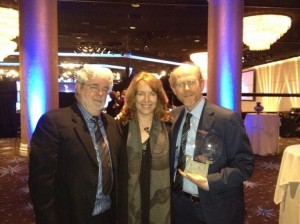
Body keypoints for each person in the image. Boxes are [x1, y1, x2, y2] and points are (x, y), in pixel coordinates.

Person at [28, 65, 122, 224]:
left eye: (105, 89)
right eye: (94, 86)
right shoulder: (54, 122)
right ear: (78, 88)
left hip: (109, 215)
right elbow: (41, 183)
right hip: (71, 217)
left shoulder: (113, 125)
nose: (100, 93)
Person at [168, 63, 254, 224]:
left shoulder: (226, 119)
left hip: (214, 207)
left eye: (191, 82)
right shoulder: (172, 117)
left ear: (201, 84)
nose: (187, 88)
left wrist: (209, 182)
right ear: (173, 89)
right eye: (180, 84)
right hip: (178, 205)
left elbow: (245, 165)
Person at [117, 72, 172, 224]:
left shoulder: (169, 129)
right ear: (133, 97)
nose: (146, 100)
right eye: (141, 93)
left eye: (152, 94)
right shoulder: (120, 128)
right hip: (128, 201)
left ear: (159, 97)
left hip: (161, 201)